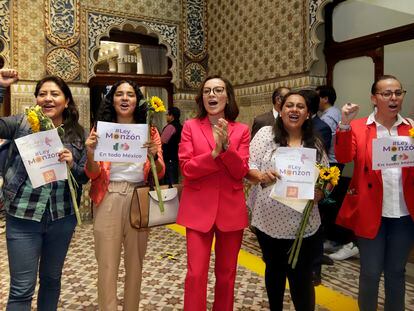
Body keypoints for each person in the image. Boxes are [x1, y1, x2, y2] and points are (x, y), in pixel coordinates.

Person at [0, 69, 88, 310]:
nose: (47, 98)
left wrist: (72, 164)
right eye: (42, 94)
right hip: (23, 217)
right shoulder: (22, 123)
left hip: (62, 218)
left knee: (51, 281)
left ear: (67, 100)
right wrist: (0, 87)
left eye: (55, 93)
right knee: (21, 288)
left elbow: (83, 177)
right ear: (36, 99)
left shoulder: (78, 134)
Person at [335, 75, 414, 311]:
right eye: (386, 94)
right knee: (370, 272)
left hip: (403, 213)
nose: (393, 98)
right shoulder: (359, 127)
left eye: (398, 93)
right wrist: (345, 124)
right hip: (371, 211)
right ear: (374, 98)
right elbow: (343, 157)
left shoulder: (410, 128)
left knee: (396, 272)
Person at [85, 80, 165, 311]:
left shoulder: (149, 131)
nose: (124, 98)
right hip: (108, 195)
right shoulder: (100, 130)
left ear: (137, 100)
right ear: (112, 99)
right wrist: (91, 154)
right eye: (119, 94)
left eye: (130, 94)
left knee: (135, 263)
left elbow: (159, 173)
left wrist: (154, 156)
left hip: (138, 197)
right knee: (107, 264)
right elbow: (92, 173)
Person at [247, 91, 328, 311]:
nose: (294, 110)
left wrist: (321, 192)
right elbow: (249, 166)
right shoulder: (265, 135)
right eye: (289, 105)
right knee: (274, 273)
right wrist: (262, 176)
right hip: (269, 223)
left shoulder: (315, 143)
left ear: (308, 114)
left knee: (301, 279)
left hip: (304, 227)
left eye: (300, 107)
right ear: (280, 111)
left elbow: (327, 178)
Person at [177, 75, 250, 310]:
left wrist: (226, 149)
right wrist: (214, 154)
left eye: (218, 90)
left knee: (227, 276)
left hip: (231, 211)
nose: (212, 95)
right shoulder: (190, 127)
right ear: (202, 98)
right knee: (196, 274)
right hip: (198, 211)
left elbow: (241, 171)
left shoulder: (241, 130)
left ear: (227, 96)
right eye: (207, 91)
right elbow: (187, 168)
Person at [316, 85, 358, 261]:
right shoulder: (331, 114)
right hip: (333, 162)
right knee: (329, 202)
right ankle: (332, 238)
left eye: (318, 97)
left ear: (325, 98)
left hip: (333, 163)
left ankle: (335, 239)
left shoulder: (329, 117)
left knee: (329, 202)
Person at [161, 106, 182, 185]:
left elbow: (161, 142)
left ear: (172, 116)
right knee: (174, 183)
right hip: (176, 159)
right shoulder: (181, 127)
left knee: (168, 184)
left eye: (167, 114)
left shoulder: (170, 127)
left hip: (168, 160)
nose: (166, 116)